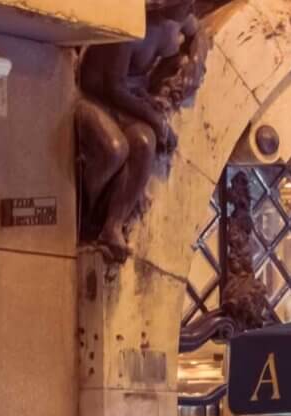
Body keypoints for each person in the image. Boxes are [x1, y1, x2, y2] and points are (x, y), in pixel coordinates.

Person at [76, 1, 204, 262]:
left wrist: (196, 61)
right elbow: (113, 86)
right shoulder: (132, 22)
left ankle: (112, 225)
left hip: (131, 100)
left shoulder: (176, 20)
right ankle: (85, 214)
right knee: (114, 150)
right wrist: (156, 120)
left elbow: (199, 33)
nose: (191, 7)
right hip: (95, 97)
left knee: (144, 144)